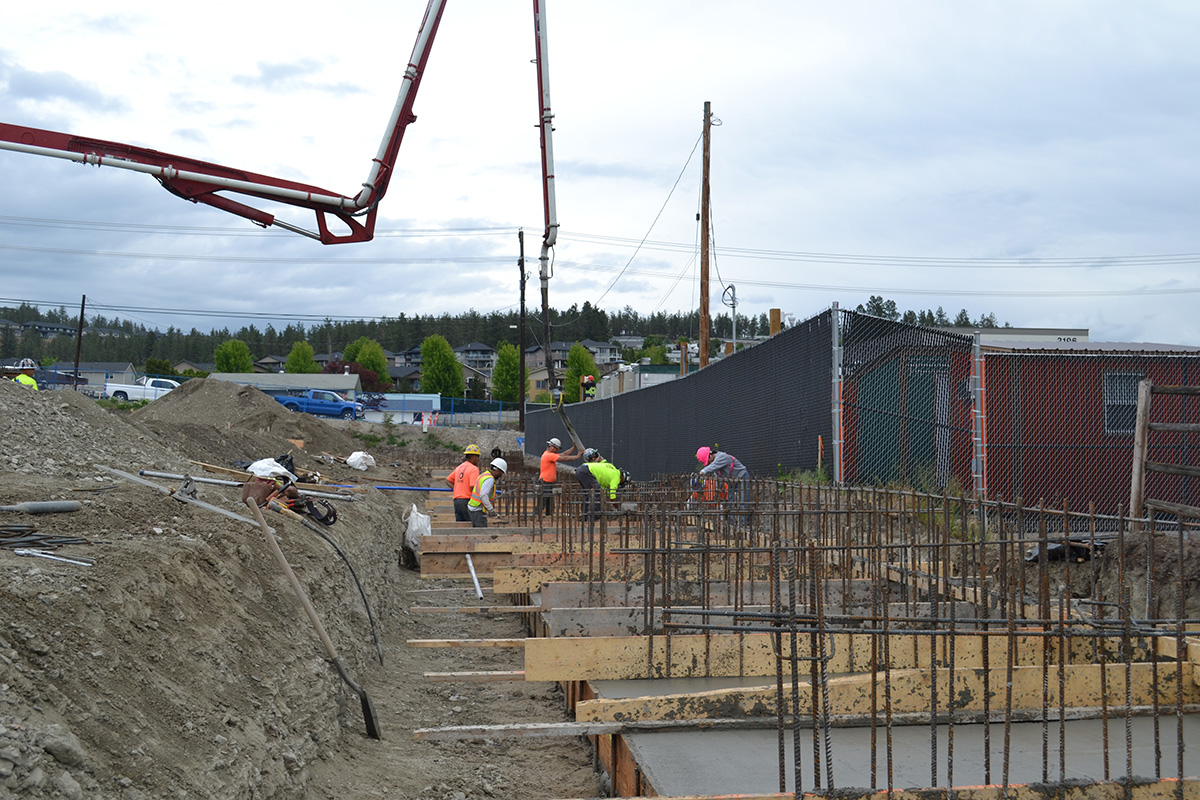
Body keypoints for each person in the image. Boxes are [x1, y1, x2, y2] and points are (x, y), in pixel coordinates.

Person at [575, 448, 629, 521]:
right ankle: (594, 518)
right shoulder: (616, 478)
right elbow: (612, 496)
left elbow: (604, 490)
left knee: (588, 495)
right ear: (622, 477)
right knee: (596, 493)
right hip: (586, 471)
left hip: (581, 469)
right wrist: (618, 507)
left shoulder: (611, 467)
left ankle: (585, 517)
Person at [696, 445, 750, 513]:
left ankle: (744, 523)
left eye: (708, 462)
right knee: (730, 502)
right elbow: (719, 478)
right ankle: (731, 522)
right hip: (731, 480)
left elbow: (714, 466)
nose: (709, 464)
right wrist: (717, 490)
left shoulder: (721, 457)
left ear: (710, 455)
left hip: (742, 476)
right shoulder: (716, 465)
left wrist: (703, 471)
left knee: (744, 501)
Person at [538, 437, 580, 516]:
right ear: (552, 447)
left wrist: (573, 448)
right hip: (545, 482)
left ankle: (548, 515)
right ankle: (537, 515)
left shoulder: (549, 454)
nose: (557, 450)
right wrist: (577, 456)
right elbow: (565, 458)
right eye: (556, 448)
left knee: (549, 503)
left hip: (548, 483)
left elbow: (564, 454)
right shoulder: (548, 455)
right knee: (543, 501)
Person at [466, 457, 507, 528]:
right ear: (498, 470)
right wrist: (491, 510)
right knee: (481, 533)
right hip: (477, 510)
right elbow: (483, 495)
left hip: (473, 508)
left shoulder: (484, 475)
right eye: (501, 473)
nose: (501, 476)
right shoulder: (490, 479)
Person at [445, 444, 482, 522]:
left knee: (460, 526)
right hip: (467, 501)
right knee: (470, 525)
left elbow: (448, 481)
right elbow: (473, 487)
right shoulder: (474, 469)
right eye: (478, 457)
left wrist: (457, 489)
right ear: (473, 457)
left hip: (457, 501)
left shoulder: (459, 467)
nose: (478, 459)